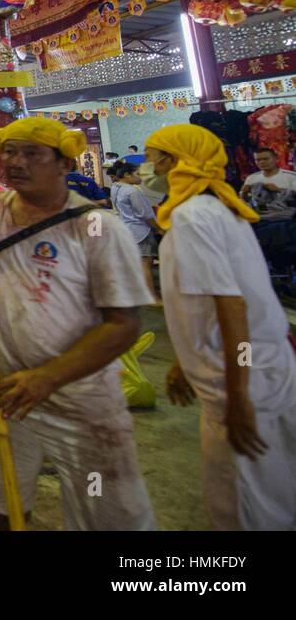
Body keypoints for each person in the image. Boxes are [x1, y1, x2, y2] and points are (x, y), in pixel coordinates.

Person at [0, 117, 156, 530]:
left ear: (65, 164)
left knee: (107, 508)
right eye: (10, 152)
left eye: (32, 154)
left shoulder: (97, 227)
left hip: (77, 394)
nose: (16, 162)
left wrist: (47, 377)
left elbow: (123, 325)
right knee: (5, 490)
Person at [144, 125, 296, 530]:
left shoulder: (193, 217)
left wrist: (239, 397)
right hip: (260, 365)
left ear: (176, 162)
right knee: (274, 484)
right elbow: (208, 303)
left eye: (154, 157)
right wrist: (185, 360)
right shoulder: (216, 209)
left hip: (242, 376)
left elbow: (231, 305)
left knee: (246, 503)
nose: (148, 166)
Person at [109, 161, 160, 301]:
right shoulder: (133, 191)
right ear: (127, 174)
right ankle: (151, 297)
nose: (141, 177)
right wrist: (158, 228)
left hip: (127, 228)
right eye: (138, 174)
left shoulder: (116, 187)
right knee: (145, 264)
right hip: (140, 231)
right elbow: (146, 215)